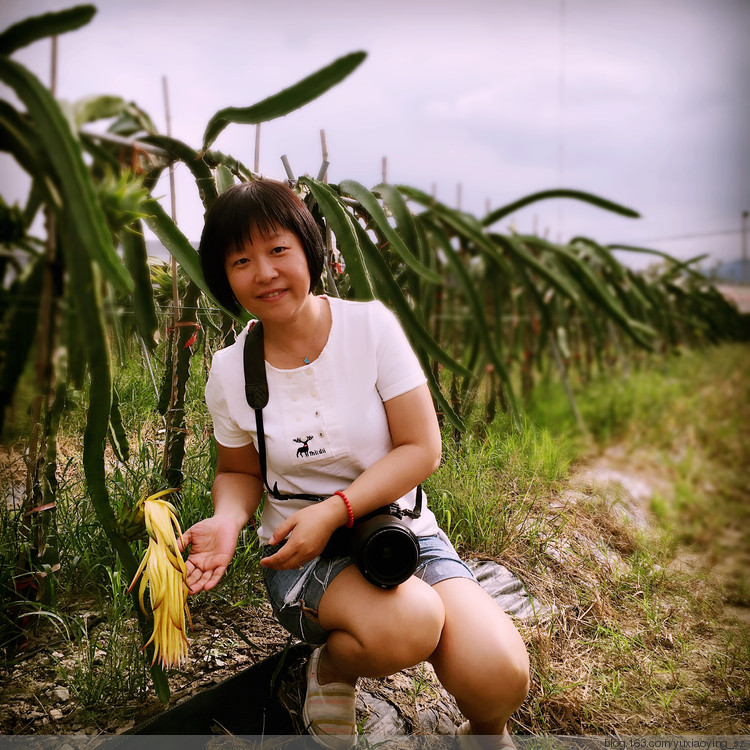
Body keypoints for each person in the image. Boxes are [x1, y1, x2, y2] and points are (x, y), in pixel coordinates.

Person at [181, 179, 530, 750]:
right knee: (410, 623)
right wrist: (226, 521)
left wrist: (339, 507)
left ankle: (485, 734)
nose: (264, 273)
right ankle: (329, 673)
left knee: (500, 676)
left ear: (308, 249)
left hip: (402, 532)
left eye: (277, 250)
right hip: (304, 553)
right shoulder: (229, 371)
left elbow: (422, 448)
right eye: (241, 260)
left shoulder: (370, 327)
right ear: (225, 277)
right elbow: (239, 472)